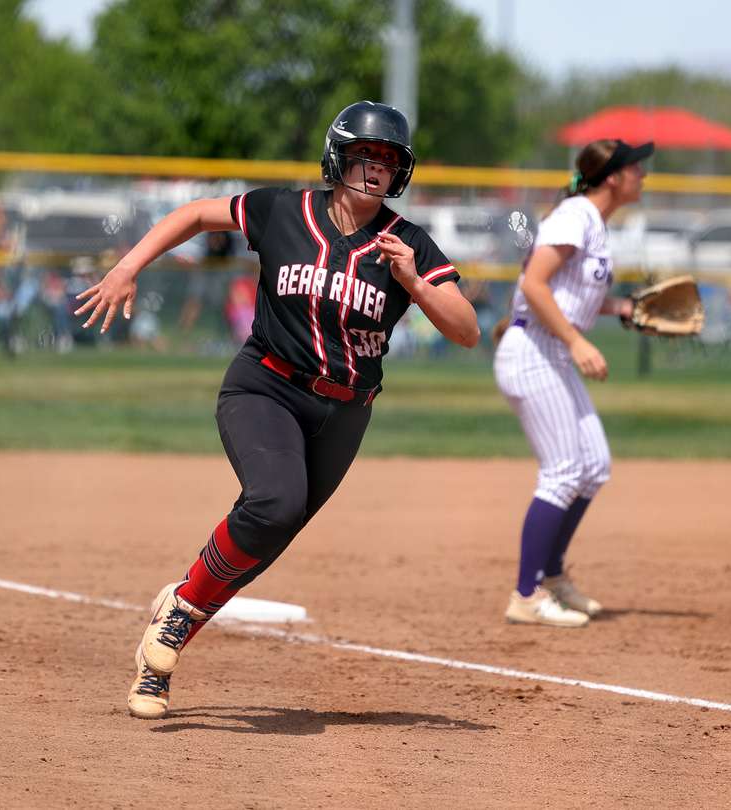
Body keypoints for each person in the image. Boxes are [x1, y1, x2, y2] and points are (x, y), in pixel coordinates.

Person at [76, 101, 479, 719]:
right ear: (338, 157)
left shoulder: (408, 244)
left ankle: (178, 606)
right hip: (265, 388)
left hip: (345, 415)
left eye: (388, 160)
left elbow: (467, 330)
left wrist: (419, 285)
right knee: (274, 502)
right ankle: (171, 634)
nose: (374, 169)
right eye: (365, 155)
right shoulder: (283, 212)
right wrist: (128, 266)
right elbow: (194, 215)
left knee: (270, 533)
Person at [492, 139, 652, 628]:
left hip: (551, 352)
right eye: (635, 169)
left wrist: (619, 308)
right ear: (612, 178)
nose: (642, 175)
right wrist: (579, 343)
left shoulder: (594, 223)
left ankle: (554, 576)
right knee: (563, 471)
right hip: (534, 350)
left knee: (594, 466)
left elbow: (566, 292)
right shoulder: (574, 215)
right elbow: (534, 286)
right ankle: (525, 595)